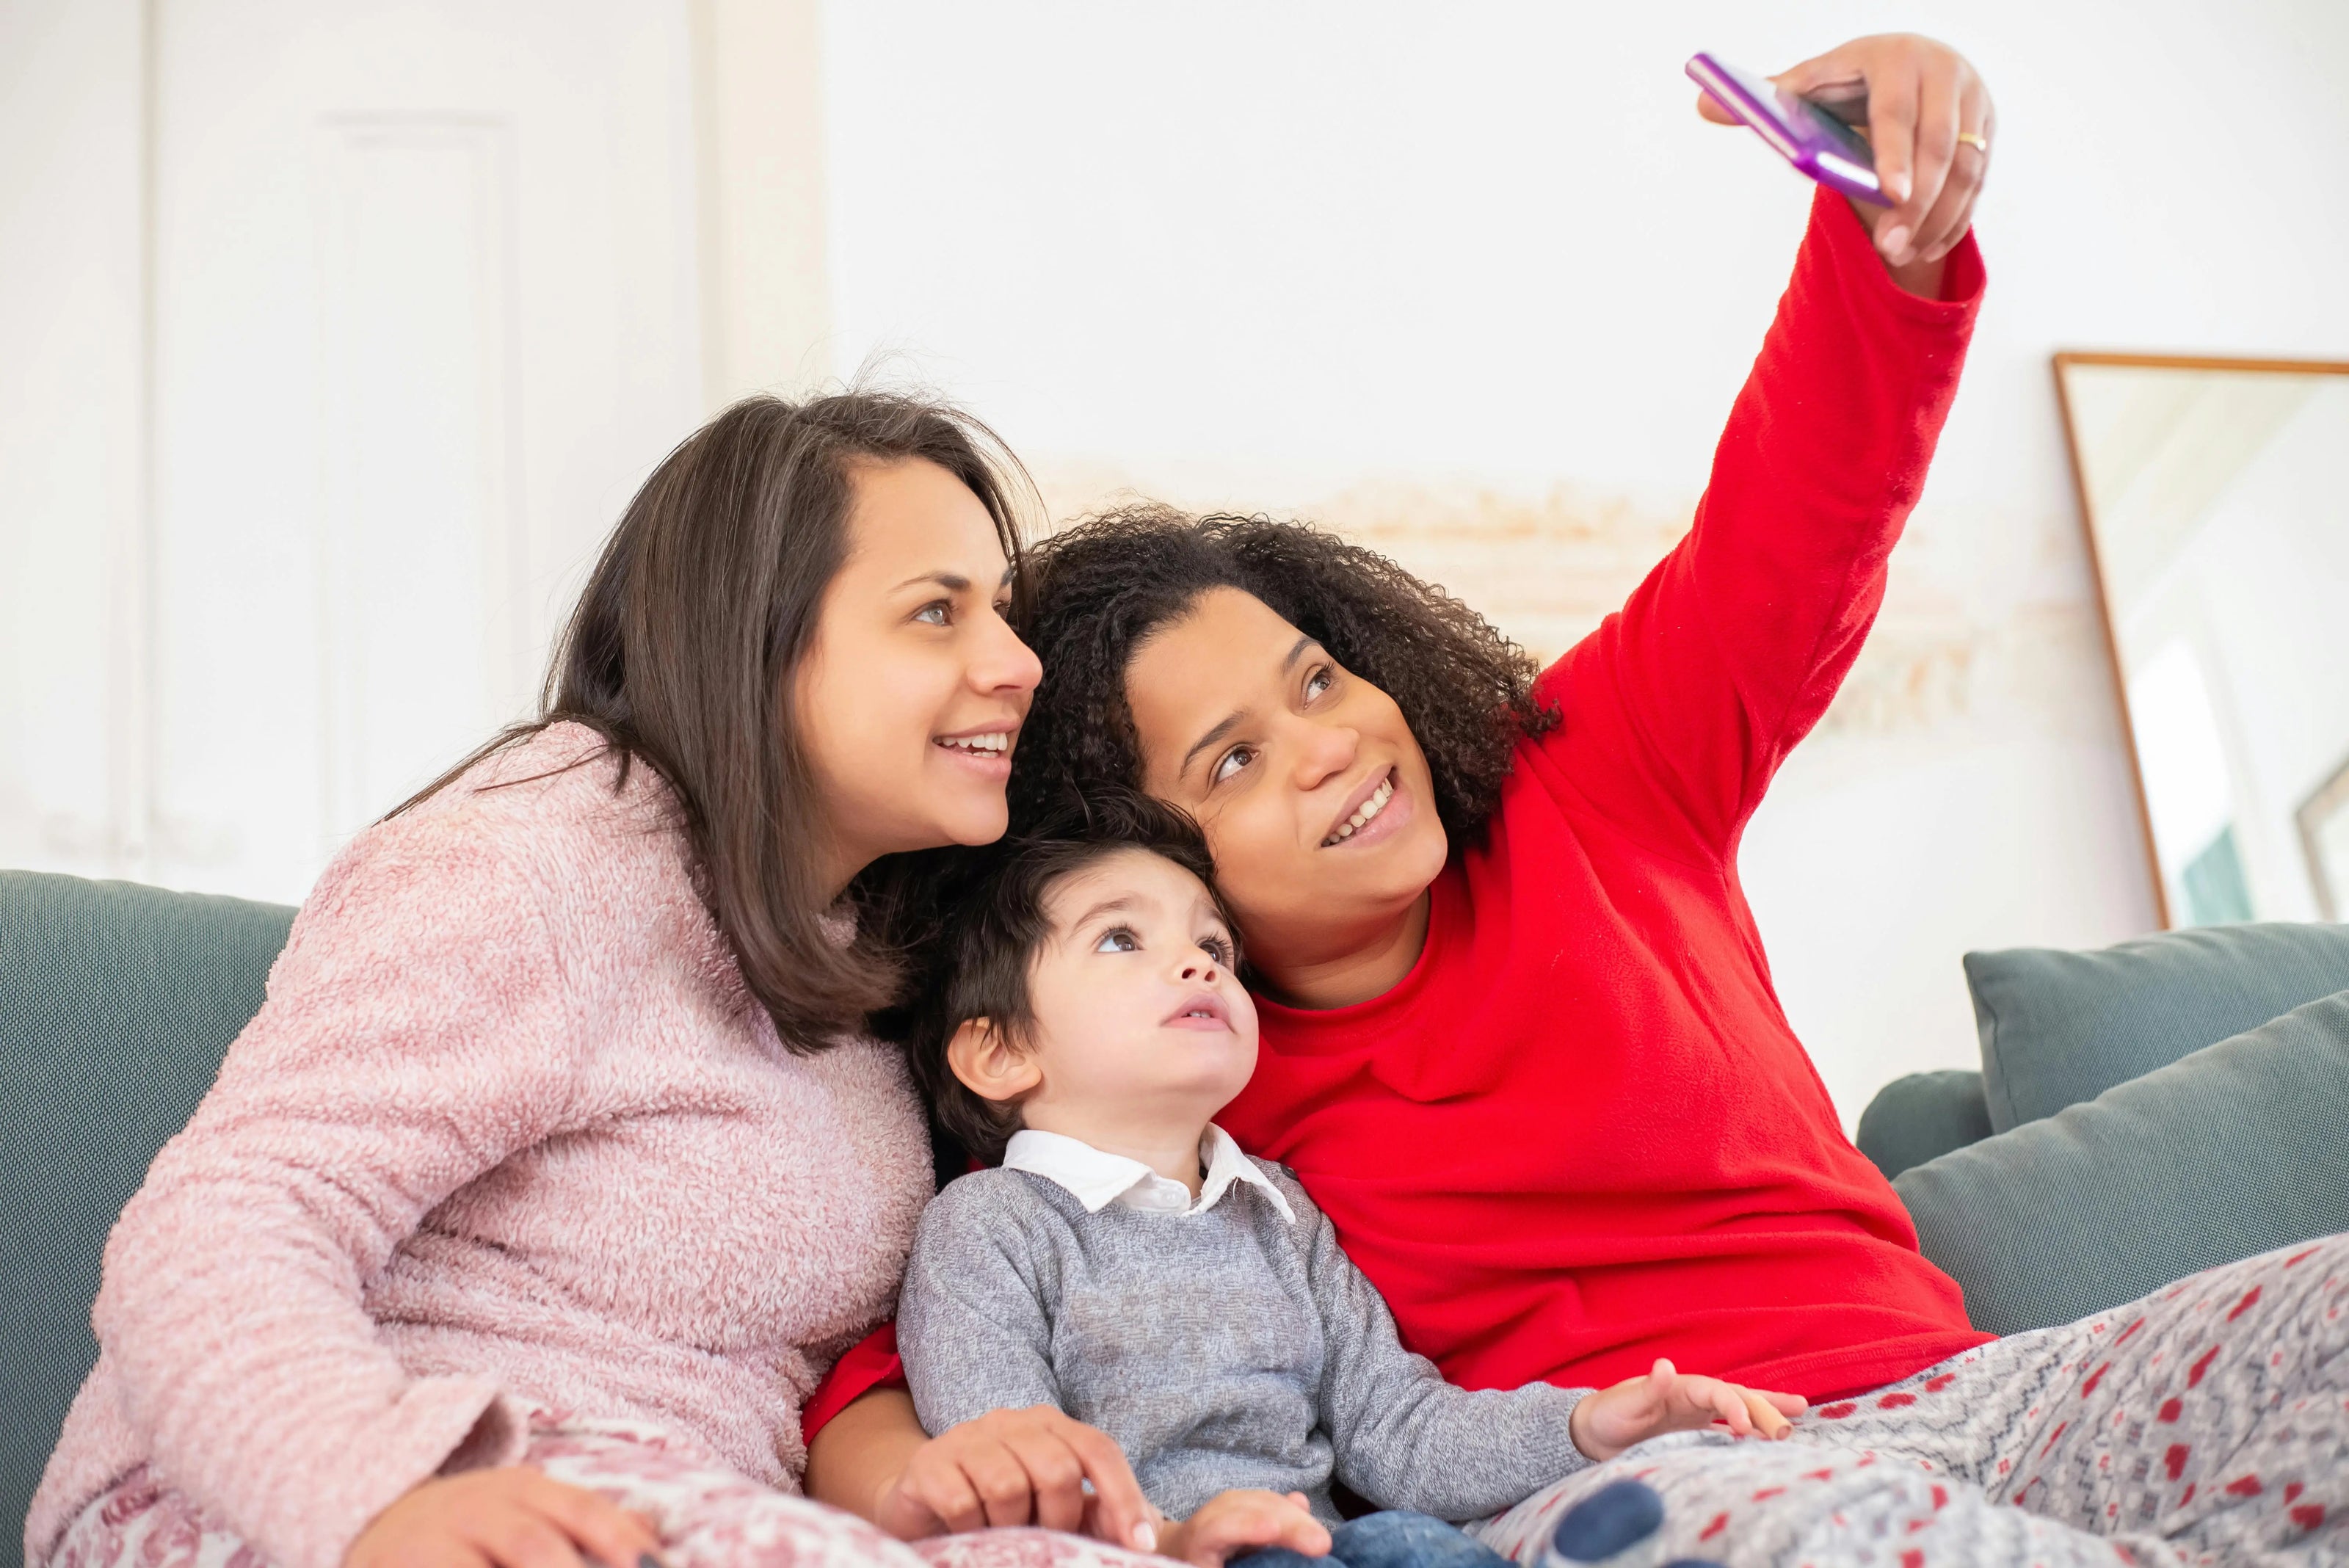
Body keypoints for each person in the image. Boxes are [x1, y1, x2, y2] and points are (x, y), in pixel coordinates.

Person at [824, 34, 2348, 1568]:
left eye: (1313, 680)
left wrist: (1892, 245)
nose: (1330, 745)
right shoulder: (1191, 1062)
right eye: (1231, 762)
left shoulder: (1596, 778)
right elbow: (931, 1331)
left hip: (1977, 1391)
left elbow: (1795, 526)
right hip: (1667, 1486)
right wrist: (929, 1474)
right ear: (1146, 856)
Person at [26, 393, 1169, 1568]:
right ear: (754, 637)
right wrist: (380, 1493)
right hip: (318, 1497)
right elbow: (216, 1222)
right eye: (937, 612)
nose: (1016, 663)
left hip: (668, 1499)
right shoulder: (531, 862)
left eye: (1005, 613)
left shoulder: (860, 952)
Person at [892, 793, 1799, 1568]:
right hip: (1162, 1557)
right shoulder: (989, 1227)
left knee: (1411, 1542)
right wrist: (1171, 1541)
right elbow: (1016, 1471)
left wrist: (1587, 1426)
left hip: (1322, 1546)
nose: (1197, 961)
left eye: (1214, 943)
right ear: (1000, 1049)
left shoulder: (1276, 1210)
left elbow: (1397, 1431)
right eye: (1121, 938)